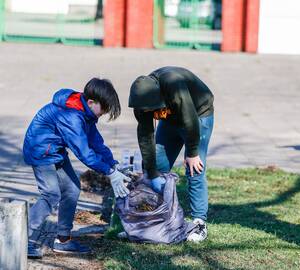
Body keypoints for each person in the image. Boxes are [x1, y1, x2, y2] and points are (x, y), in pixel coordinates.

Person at [23, 78, 130, 258]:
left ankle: (63, 240)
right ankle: (18, 238)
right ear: (91, 102)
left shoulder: (86, 113)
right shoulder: (71, 116)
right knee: (51, 194)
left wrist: (113, 164)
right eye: (103, 109)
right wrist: (109, 173)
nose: (103, 113)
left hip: (55, 151)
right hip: (40, 151)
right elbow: (84, 153)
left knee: (72, 189)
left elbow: (96, 143)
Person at [128, 66, 214, 242]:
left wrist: (192, 152)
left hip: (198, 115)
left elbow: (190, 119)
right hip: (170, 120)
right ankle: (155, 218)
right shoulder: (142, 101)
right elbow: (145, 135)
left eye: (147, 110)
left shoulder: (174, 84)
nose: (145, 113)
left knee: (194, 169)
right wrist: (151, 170)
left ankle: (199, 223)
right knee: (157, 166)